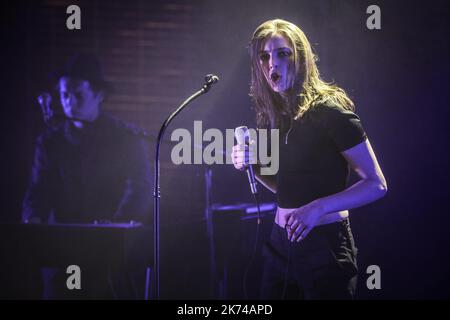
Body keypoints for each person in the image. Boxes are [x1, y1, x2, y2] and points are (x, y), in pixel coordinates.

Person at [231, 19, 387, 299]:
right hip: (280, 245)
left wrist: (317, 208)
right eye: (264, 56)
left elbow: (376, 184)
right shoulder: (275, 116)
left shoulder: (330, 111)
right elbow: (288, 187)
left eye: (282, 53)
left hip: (324, 248)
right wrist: (252, 166)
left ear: (300, 57)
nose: (271, 63)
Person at [22, 54, 152, 298]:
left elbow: (140, 188)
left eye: (78, 95)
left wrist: (114, 227)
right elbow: (38, 191)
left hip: (113, 253)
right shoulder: (50, 142)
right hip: (64, 252)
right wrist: (34, 224)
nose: (69, 102)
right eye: (64, 95)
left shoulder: (125, 138)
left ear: (99, 95)